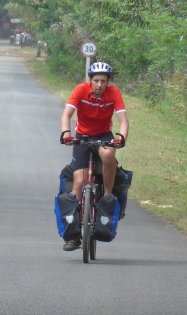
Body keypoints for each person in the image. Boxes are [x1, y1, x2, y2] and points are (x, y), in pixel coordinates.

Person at [59, 62, 129, 252]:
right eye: (96, 81)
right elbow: (67, 114)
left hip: (104, 135)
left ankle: (107, 196)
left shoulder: (114, 93)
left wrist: (121, 138)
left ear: (108, 82)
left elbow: (123, 120)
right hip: (82, 136)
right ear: (90, 81)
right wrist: (66, 133)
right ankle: (73, 236)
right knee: (79, 182)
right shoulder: (81, 90)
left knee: (108, 154)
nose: (99, 85)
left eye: (103, 81)